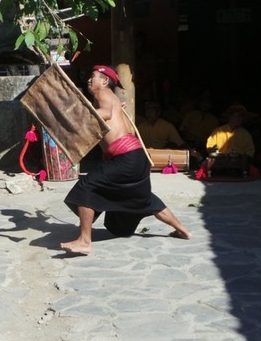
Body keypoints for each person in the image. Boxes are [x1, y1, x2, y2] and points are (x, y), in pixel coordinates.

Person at [61, 65, 191, 255]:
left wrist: (80, 115)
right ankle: (183, 230)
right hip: (136, 158)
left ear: (105, 81)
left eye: (93, 76)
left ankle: (84, 241)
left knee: (87, 187)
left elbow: (106, 113)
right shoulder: (111, 97)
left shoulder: (102, 93)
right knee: (143, 199)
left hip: (125, 157)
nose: (89, 80)